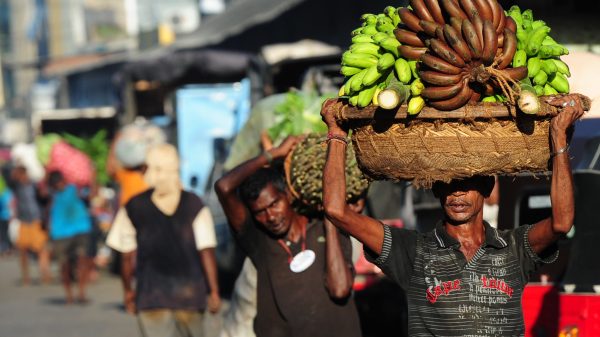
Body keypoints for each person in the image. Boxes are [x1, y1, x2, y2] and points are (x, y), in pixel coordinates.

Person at [320, 94, 585, 336]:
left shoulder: (514, 248)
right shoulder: (413, 250)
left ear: (487, 188)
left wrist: (558, 138)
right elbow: (335, 210)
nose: (457, 194)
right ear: (437, 190)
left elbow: (562, 223)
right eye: (448, 184)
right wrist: (336, 133)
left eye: (467, 184)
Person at [214, 136, 362, 337]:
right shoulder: (259, 241)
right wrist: (273, 153)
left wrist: (330, 221)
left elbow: (340, 290)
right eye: (260, 212)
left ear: (289, 195)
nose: (270, 217)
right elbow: (224, 186)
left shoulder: (324, 226)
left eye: (274, 204)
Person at [106, 144, 220, 337]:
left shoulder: (134, 206)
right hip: (190, 296)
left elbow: (127, 256)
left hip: (151, 297)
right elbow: (206, 251)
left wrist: (128, 291)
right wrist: (214, 291)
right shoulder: (195, 204)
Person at [46, 170, 93, 303]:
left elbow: (91, 194)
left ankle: (81, 292)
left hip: (80, 229)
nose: (59, 185)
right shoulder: (51, 194)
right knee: (64, 265)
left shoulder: (75, 189)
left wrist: (92, 177)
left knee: (82, 261)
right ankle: (69, 295)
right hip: (60, 233)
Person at [11, 166, 52, 284]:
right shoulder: (16, 187)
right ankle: (26, 276)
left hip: (37, 220)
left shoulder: (34, 185)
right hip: (24, 220)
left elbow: (45, 198)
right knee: (23, 250)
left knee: (42, 249)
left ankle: (45, 274)